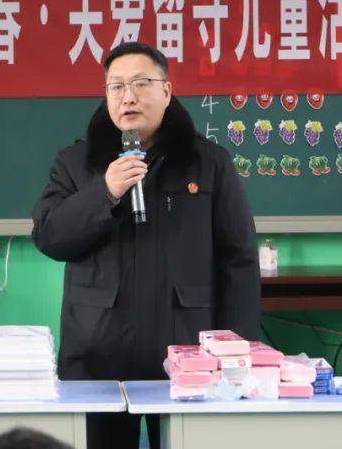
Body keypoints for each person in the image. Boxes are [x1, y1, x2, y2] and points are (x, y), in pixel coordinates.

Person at [31, 42, 260, 449]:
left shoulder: (209, 163)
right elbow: (50, 237)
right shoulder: (76, 163)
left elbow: (238, 261)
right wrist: (104, 192)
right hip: (98, 353)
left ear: (167, 91)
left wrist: (235, 352)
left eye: (141, 83)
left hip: (189, 353)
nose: (129, 97)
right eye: (116, 86)